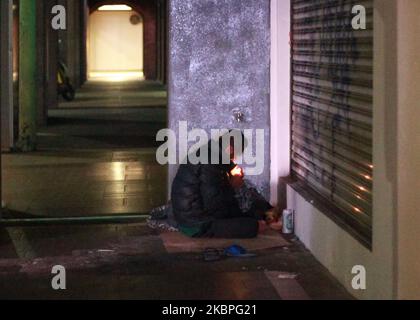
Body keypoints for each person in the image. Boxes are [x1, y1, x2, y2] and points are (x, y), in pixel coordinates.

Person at [171, 130, 271, 239]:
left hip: (195, 215)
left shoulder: (210, 152)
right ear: (229, 149)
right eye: (235, 155)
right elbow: (214, 206)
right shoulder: (210, 164)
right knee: (253, 226)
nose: (235, 159)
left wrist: (233, 170)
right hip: (196, 225)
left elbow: (226, 165)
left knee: (248, 214)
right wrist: (233, 185)